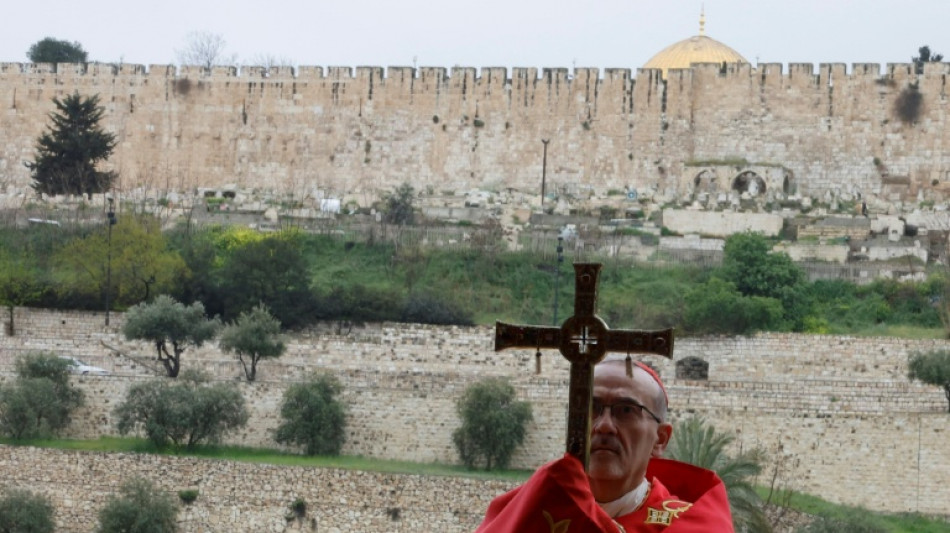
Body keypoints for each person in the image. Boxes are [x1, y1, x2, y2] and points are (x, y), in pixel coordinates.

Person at [475, 358, 734, 532]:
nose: (604, 425)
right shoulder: (526, 510)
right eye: (592, 408)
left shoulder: (691, 525)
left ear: (661, 439)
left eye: (625, 410)